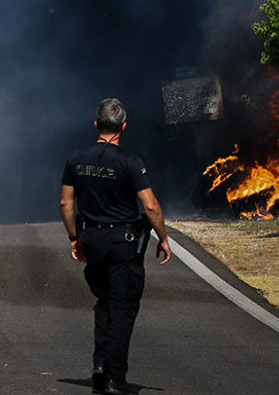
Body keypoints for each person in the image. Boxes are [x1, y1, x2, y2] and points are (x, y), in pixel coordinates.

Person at [60, 98, 171, 395]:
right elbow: (150, 206)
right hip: (123, 243)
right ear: (123, 127)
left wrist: (74, 237)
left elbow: (66, 204)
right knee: (123, 307)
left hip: (91, 239)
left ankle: (99, 366)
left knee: (104, 301)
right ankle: (115, 378)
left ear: (96, 125)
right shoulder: (131, 162)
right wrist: (162, 238)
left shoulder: (76, 158)